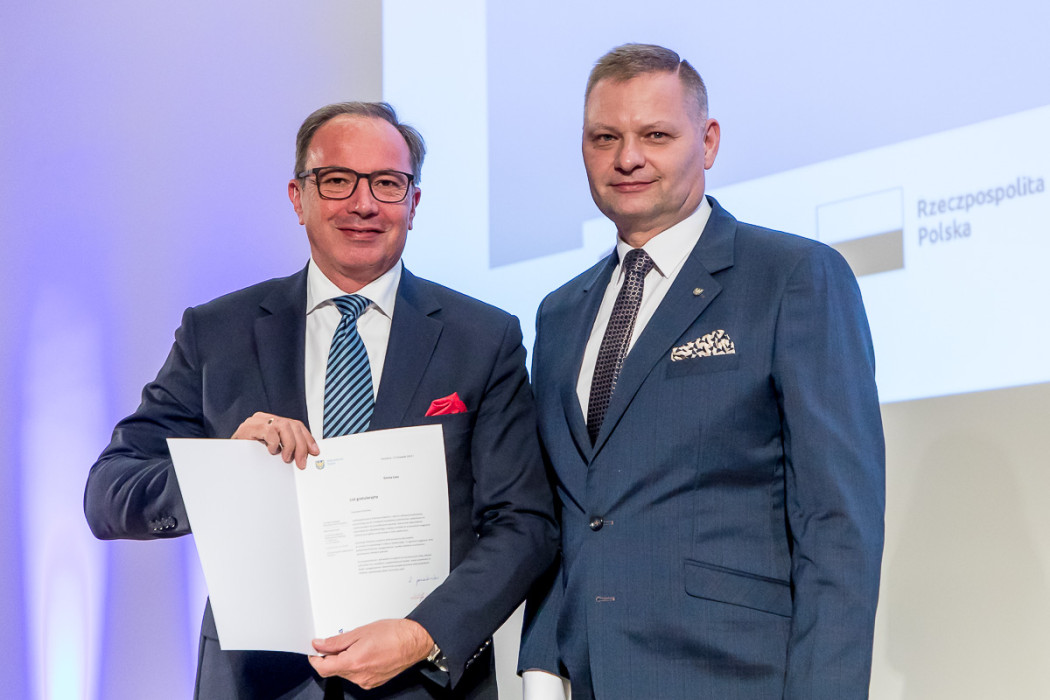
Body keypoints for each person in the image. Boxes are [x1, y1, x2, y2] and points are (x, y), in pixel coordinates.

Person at [85, 101, 558, 700]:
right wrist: (224, 473)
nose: (363, 204)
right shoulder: (218, 333)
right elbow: (108, 495)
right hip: (258, 683)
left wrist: (423, 635)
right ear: (298, 197)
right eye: (337, 181)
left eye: (388, 183)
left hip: (422, 684)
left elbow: (523, 523)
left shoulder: (483, 338)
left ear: (414, 203)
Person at [518, 44, 885, 699]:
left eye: (655, 135)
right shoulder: (560, 313)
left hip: (736, 676)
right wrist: (541, 668)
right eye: (605, 138)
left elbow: (837, 523)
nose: (627, 158)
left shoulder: (792, 277)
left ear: (708, 142)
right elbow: (571, 515)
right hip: (591, 679)